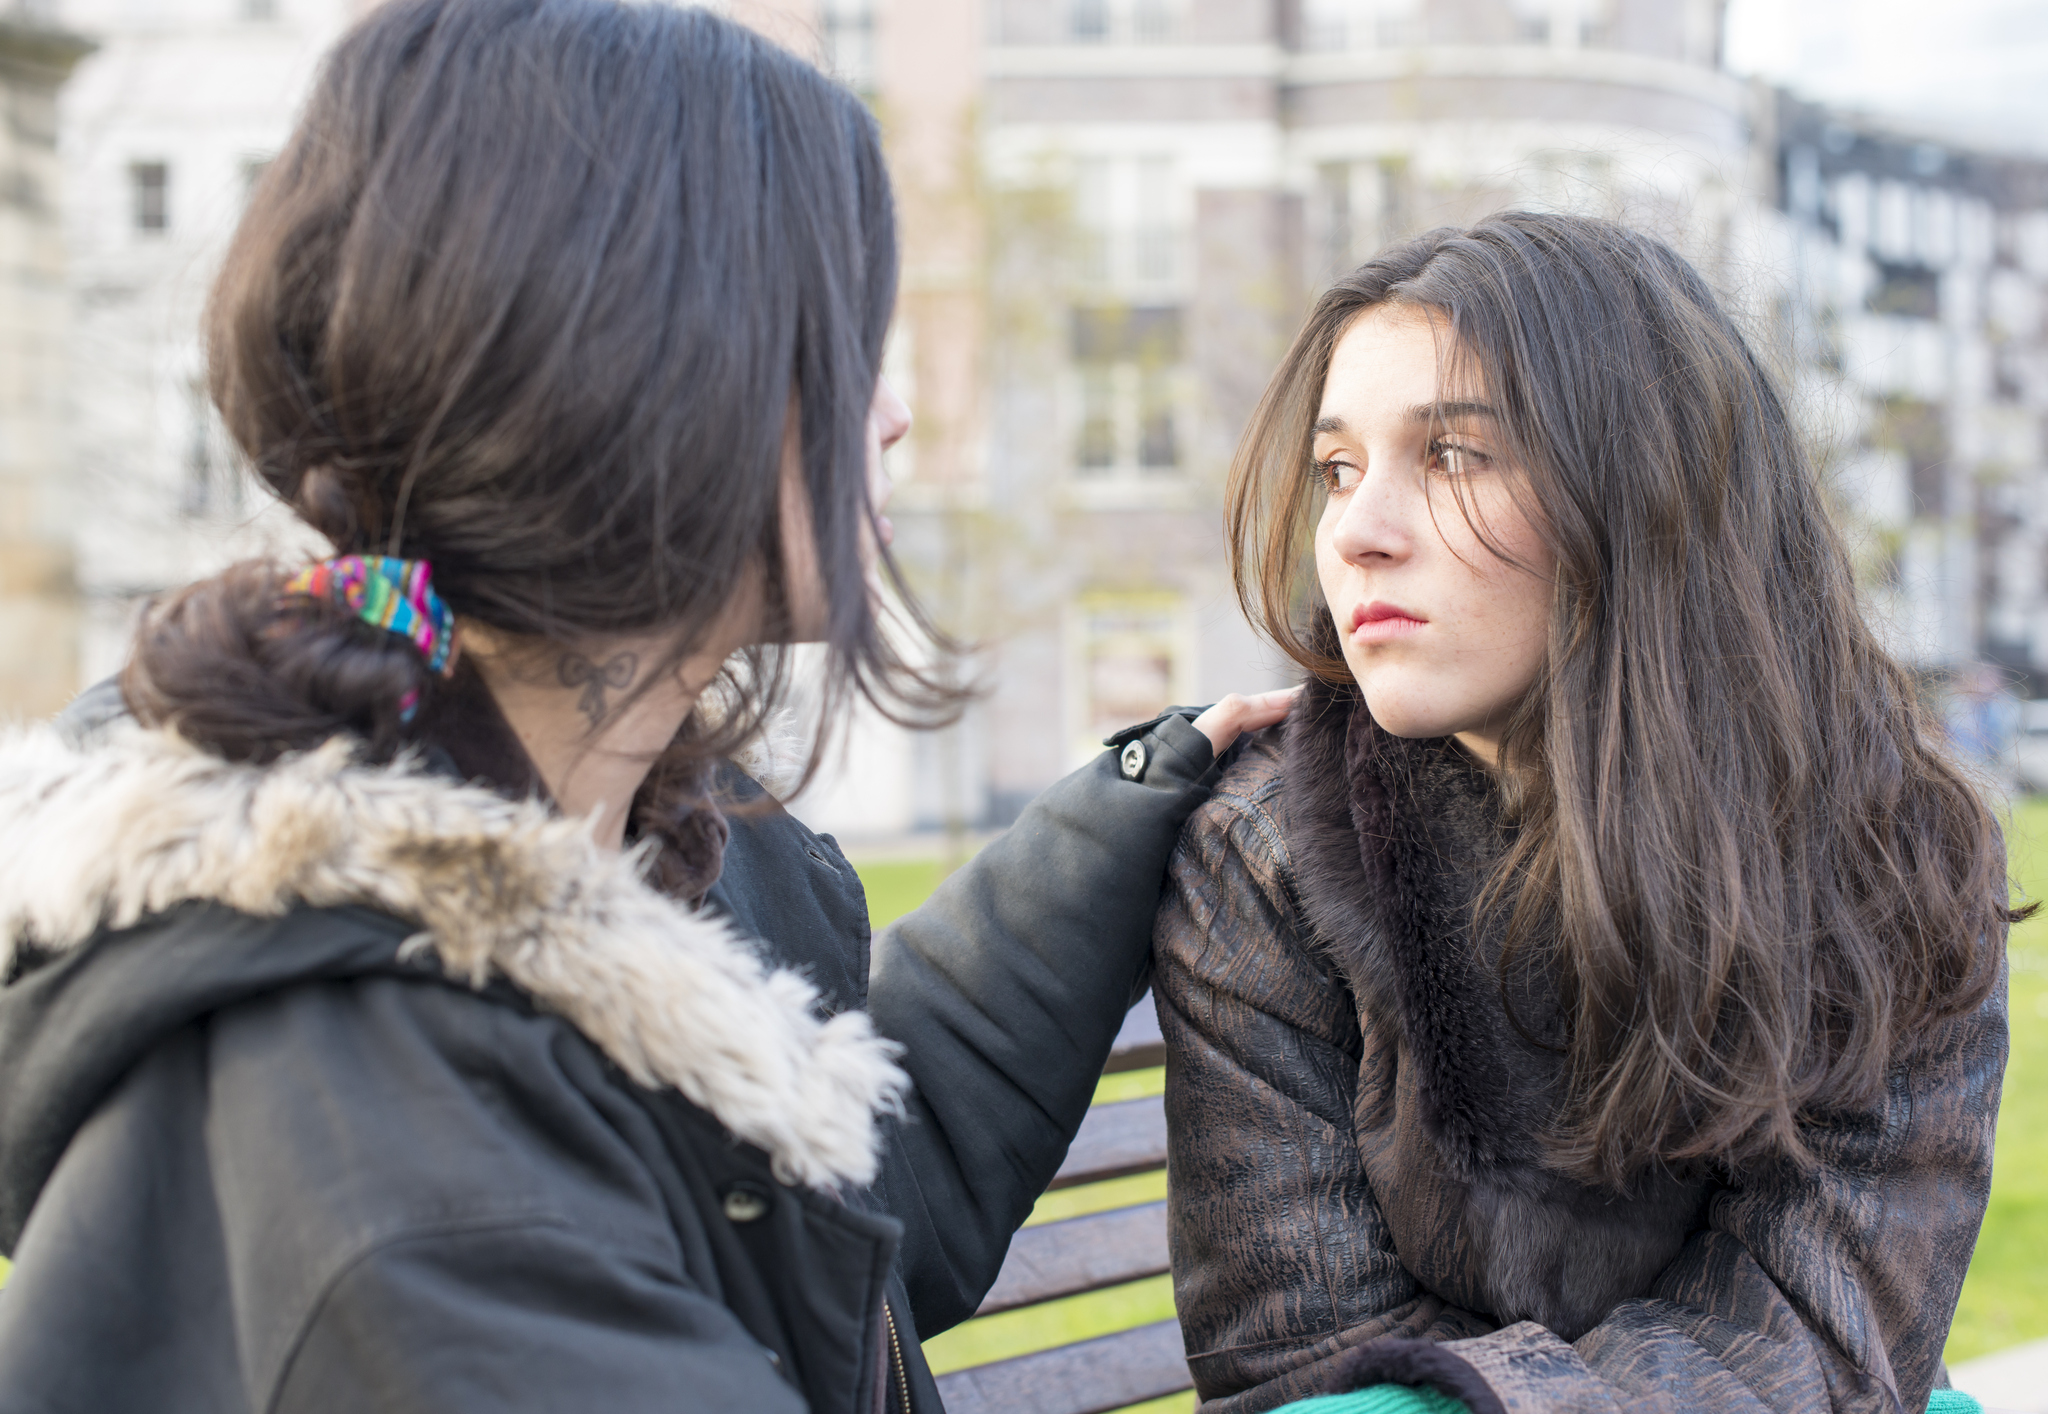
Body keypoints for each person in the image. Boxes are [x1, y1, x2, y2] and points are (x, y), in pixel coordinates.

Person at [0, 2, 1291, 1410]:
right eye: (852, 340)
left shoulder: (635, 839)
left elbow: (826, 1228)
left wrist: (1123, 816)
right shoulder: (416, 1173)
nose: (897, 414)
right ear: (653, 376)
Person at [1152, 213, 2018, 1414]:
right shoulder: (1266, 855)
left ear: (1644, 496)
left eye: (1453, 454)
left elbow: (1825, 1331)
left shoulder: (1885, 853)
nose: (1352, 532)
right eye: (1337, 468)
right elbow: (1298, 1367)